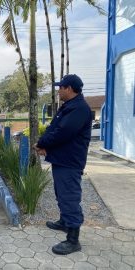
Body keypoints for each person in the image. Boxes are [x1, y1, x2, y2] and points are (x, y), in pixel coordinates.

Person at [34, 74, 92, 255]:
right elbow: (54, 128)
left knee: (69, 197)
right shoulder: (68, 107)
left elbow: (63, 133)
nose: (58, 90)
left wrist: (43, 144)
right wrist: (44, 144)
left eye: (61, 87)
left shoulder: (80, 109)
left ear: (69, 88)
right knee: (61, 193)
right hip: (61, 158)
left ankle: (73, 240)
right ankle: (65, 222)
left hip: (70, 162)